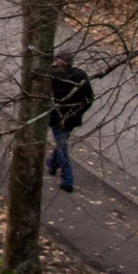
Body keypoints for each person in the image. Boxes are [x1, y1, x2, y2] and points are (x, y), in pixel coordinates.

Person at [48, 51, 93, 193]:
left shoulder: (53, 75)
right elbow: (89, 99)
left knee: (62, 148)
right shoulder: (80, 75)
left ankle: (68, 181)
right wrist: (77, 112)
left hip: (58, 118)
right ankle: (52, 164)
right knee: (62, 142)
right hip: (72, 119)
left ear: (61, 62)